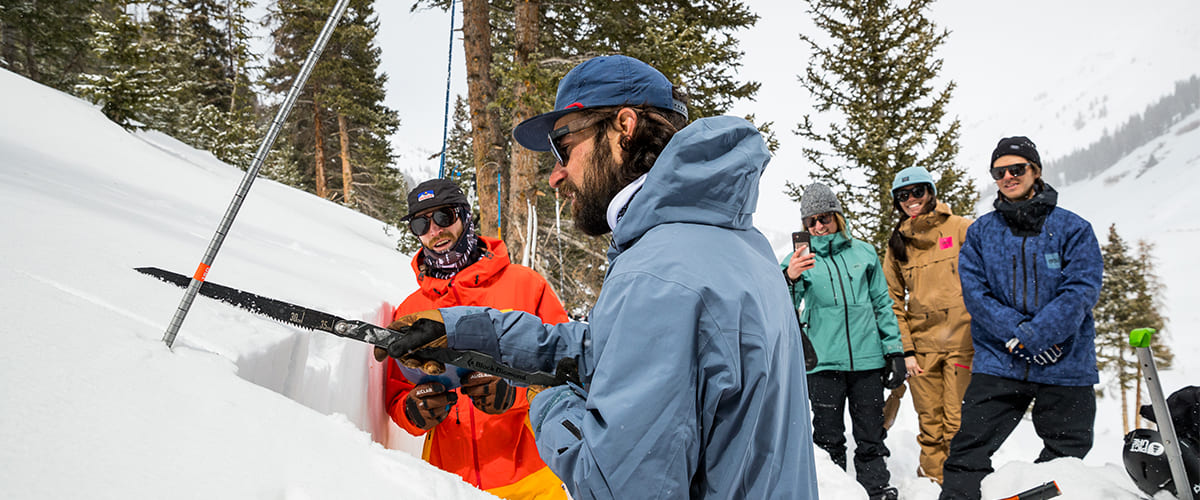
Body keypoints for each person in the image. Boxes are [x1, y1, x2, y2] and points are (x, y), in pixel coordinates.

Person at [380, 55, 818, 499]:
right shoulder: (738, 242)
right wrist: (462, 330)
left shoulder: (658, 273)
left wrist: (545, 399)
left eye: (564, 148)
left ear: (623, 127)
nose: (556, 175)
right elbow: (603, 350)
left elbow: (615, 487)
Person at [382, 178, 570, 500]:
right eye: (420, 223)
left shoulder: (526, 286)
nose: (435, 230)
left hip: (534, 477)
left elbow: (568, 370)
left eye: (444, 217)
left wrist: (516, 393)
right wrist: (414, 412)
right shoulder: (411, 310)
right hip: (447, 485)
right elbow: (398, 394)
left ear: (465, 216)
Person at [940, 137, 1103, 500]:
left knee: (1068, 455)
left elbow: (1081, 289)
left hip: (1066, 362)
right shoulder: (981, 232)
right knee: (968, 453)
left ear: (1036, 171)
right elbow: (975, 293)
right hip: (1000, 361)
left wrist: (1040, 335)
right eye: (1000, 171)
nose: (1009, 176)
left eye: (1018, 168)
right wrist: (1018, 335)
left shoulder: (1073, 229)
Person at [782, 182, 905, 500]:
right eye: (811, 221)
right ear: (804, 225)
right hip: (822, 363)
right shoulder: (799, 258)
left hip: (868, 361)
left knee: (871, 435)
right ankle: (835, 493)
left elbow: (882, 304)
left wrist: (894, 350)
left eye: (825, 218)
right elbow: (782, 305)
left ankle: (876, 489)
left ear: (837, 216)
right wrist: (791, 277)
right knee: (827, 438)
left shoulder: (863, 253)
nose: (819, 226)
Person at [880, 166, 974, 484]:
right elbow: (891, 302)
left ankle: (963, 482)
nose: (911, 200)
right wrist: (905, 350)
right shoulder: (897, 245)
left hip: (963, 343)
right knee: (930, 423)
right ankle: (934, 483)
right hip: (921, 350)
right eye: (903, 196)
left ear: (931, 192)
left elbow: (988, 279)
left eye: (917, 192)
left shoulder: (960, 229)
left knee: (958, 421)